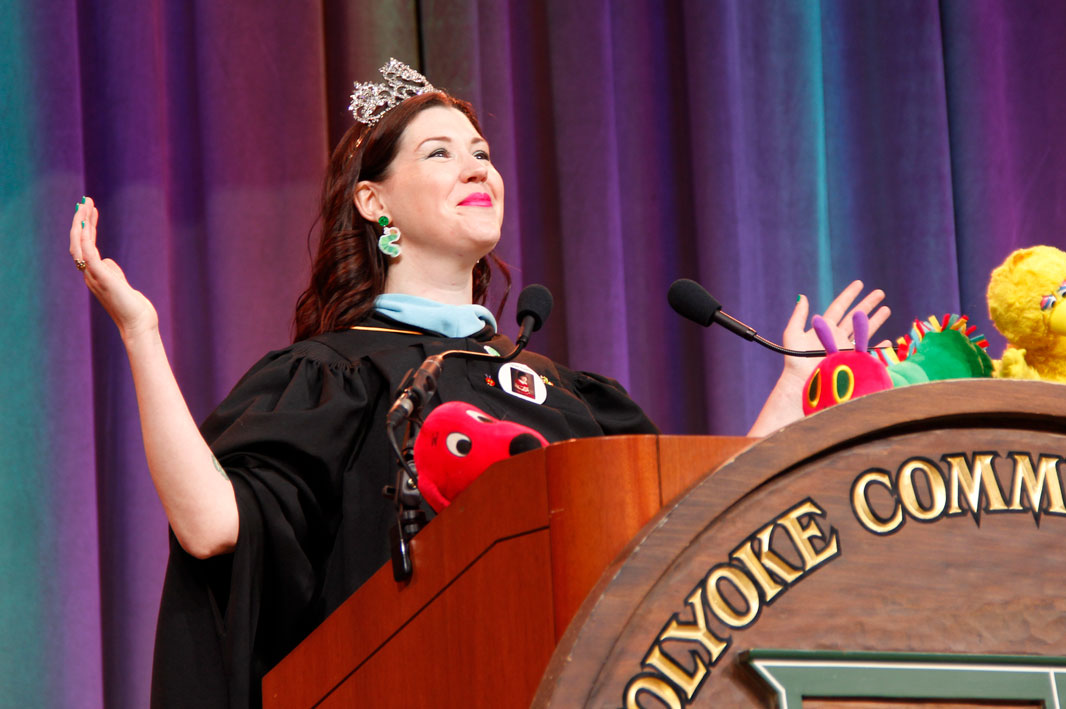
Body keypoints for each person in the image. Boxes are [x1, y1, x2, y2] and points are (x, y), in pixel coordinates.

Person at [68, 60, 889, 708]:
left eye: (483, 154)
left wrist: (791, 390)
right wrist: (141, 333)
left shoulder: (565, 397)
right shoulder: (331, 379)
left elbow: (687, 546)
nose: (478, 169)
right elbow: (213, 527)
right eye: (441, 153)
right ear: (372, 201)